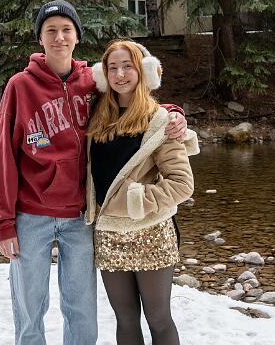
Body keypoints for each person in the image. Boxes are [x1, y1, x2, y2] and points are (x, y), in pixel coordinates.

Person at [0, 0, 189, 345]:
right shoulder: (20, 86)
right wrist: (2, 222)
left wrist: (172, 112)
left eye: (66, 30)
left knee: (80, 308)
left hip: (80, 216)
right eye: (51, 30)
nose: (59, 37)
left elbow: (131, 97)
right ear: (40, 38)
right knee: (30, 308)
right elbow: (4, 155)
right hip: (31, 213)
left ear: (77, 36)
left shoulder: (90, 83)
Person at [86, 40, 199, 345]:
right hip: (109, 233)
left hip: (151, 233)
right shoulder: (96, 116)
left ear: (142, 71)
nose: (120, 74)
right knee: (124, 319)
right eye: (112, 68)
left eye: (128, 66)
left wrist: (137, 201)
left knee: (158, 318)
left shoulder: (160, 120)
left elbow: (182, 183)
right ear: (104, 74)